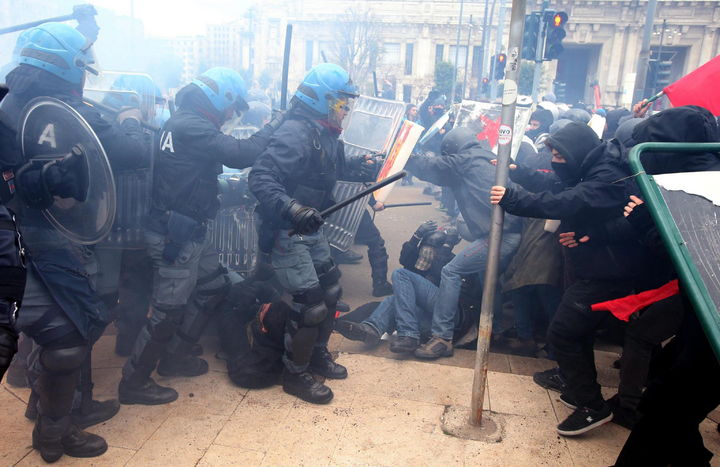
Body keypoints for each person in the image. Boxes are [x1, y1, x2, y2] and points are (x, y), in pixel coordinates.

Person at [0, 22, 143, 461]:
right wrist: (130, 119)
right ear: (69, 68)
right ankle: (53, 432)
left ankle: (52, 422)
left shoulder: (16, 104)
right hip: (32, 245)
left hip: (31, 244)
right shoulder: (56, 110)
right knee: (65, 339)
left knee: (61, 338)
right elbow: (131, 151)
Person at [118, 67, 281, 406]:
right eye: (231, 106)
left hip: (191, 229)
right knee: (167, 312)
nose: (231, 114)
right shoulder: (191, 124)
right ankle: (134, 382)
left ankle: (175, 357)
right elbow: (241, 153)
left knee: (213, 286)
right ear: (219, 98)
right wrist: (276, 124)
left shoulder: (182, 120)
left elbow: (187, 175)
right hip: (176, 235)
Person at [490, 122, 644, 436]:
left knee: (562, 333)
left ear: (576, 152)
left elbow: (565, 201)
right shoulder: (589, 167)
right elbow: (556, 185)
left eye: (559, 156)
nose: (555, 161)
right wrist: (519, 172)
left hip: (609, 272)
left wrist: (513, 199)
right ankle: (574, 384)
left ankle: (592, 406)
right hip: (594, 265)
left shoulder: (605, 177)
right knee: (576, 331)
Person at [249, 63, 359, 404]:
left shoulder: (325, 132)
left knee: (331, 289)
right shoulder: (296, 131)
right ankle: (294, 374)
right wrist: (294, 208)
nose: (345, 108)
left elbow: (328, 170)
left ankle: (316, 355)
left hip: (311, 229)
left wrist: (364, 166)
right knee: (310, 304)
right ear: (322, 99)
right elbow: (261, 178)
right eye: (341, 101)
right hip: (286, 230)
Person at [406, 127, 522, 359]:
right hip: (510, 230)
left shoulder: (465, 160)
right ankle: (496, 330)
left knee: (451, 271)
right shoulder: (488, 156)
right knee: (486, 278)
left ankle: (442, 337)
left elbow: (431, 166)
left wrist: (404, 157)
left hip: (500, 235)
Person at [335, 221, 460, 353]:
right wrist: (416, 236)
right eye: (425, 248)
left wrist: (446, 248)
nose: (427, 253)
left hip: (440, 322)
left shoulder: (451, 263)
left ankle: (408, 334)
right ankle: (370, 330)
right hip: (417, 318)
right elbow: (405, 259)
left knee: (397, 283)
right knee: (388, 302)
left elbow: (438, 271)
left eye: (432, 250)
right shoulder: (418, 258)